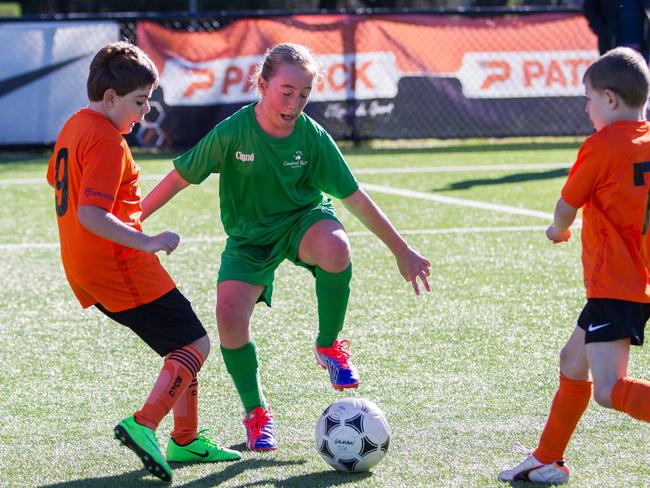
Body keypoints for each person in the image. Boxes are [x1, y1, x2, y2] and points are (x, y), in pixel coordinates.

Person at [142, 42, 431, 452]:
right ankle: (256, 413)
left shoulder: (312, 137)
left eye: (304, 95)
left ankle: (329, 344)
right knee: (228, 314)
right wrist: (135, 221)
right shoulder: (232, 132)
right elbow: (180, 176)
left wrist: (401, 249)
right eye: (286, 91)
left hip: (302, 221)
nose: (295, 103)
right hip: (249, 240)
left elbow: (354, 196)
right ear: (262, 85)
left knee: (336, 247)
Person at [46, 41, 241, 483]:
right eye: (138, 102)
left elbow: (65, 191)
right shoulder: (106, 140)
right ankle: (145, 424)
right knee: (195, 347)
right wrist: (145, 238)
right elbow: (90, 213)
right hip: (117, 264)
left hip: (87, 265)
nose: (144, 112)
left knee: (183, 340)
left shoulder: (75, 125)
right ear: (111, 98)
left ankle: (186, 439)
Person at [498, 47, 650, 484]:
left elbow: (567, 205)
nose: (585, 108)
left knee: (608, 389)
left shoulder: (601, 145)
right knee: (571, 359)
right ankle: (548, 457)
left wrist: (557, 231)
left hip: (615, 284)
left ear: (609, 99)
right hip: (637, 280)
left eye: (587, 99)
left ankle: (548, 456)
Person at [583, 0, 650, 61]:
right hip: (611, 48)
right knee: (612, 73)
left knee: (641, 73)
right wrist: (602, 31)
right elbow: (590, 8)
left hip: (643, 48)